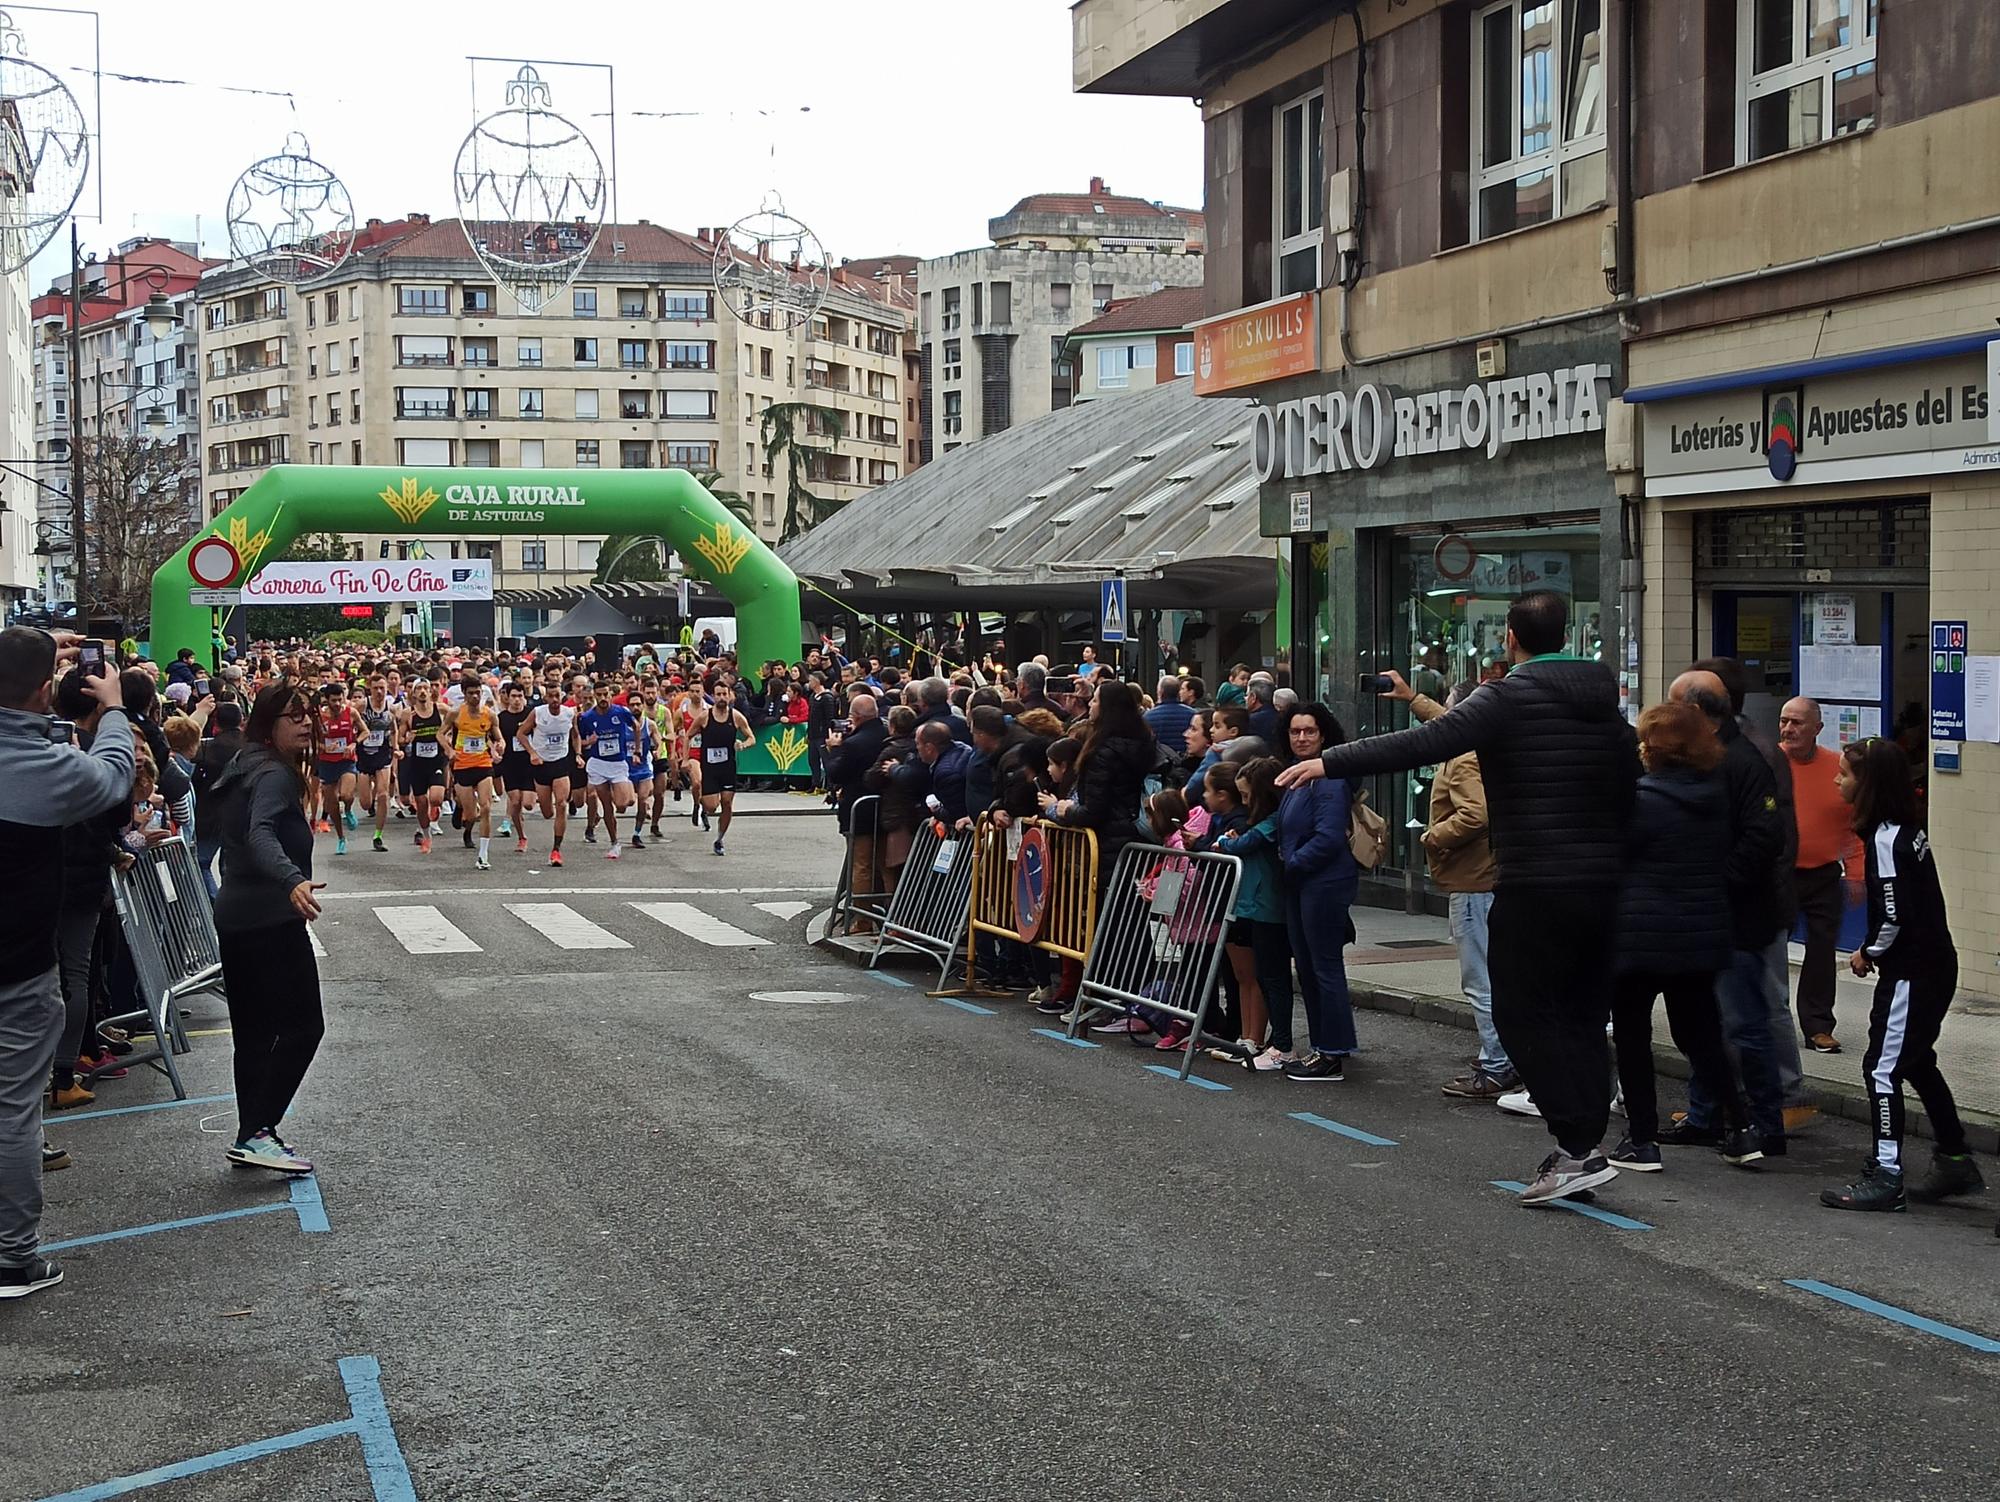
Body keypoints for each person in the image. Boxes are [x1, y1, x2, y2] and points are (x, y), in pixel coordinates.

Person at [1278, 590, 1639, 1205]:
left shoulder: (1508, 695)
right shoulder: (1604, 704)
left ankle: (1577, 1148)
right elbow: (1630, 783)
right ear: (1568, 636)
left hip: (1533, 881)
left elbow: (1427, 743)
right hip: (1603, 884)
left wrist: (1329, 762)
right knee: (1580, 1013)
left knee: (1520, 1012)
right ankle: (1582, 1147)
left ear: (1509, 640)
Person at [1820, 738, 1983, 1215]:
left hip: (1912, 972)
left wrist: (1867, 951)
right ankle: (1954, 1158)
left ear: (1868, 784)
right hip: (1934, 964)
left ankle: (1887, 1174)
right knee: (1914, 1061)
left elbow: (1895, 914)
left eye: (1846, 774)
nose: (1837, 779)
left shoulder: (1887, 839)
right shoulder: (1905, 829)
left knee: (1882, 1068)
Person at [1606, 702, 1762, 1172]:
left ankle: (1641, 1139)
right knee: (1701, 1035)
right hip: (1700, 932)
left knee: (1633, 1036)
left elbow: (1618, 857)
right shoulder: (1714, 795)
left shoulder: (1641, 801)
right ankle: (1742, 1127)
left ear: (1654, 748)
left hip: (1639, 934)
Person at [1663, 670, 1786, 1155]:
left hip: (1737, 919)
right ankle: (1705, 1115)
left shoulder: (1742, 760)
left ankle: (1763, 1123)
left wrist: (1715, 883)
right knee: (1703, 1023)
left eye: (1675, 705)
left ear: (1698, 712)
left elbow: (1765, 836)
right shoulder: (1705, 756)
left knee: (1744, 1024)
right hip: (1708, 916)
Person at [207, 682, 325, 1179]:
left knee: (253, 1034)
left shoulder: (245, 763)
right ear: (268, 723)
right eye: (293, 716)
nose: (305, 723)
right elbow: (261, 832)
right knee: (304, 1027)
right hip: (269, 918)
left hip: (238, 914)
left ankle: (249, 1135)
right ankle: (258, 1130)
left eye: (308, 715)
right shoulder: (274, 775)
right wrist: (291, 878)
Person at [1402, 680, 1514, 1099]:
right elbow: (1445, 722)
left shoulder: (1463, 758)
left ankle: (1497, 1063)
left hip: (1473, 880)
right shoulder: (1487, 743)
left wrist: (1434, 836)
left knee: (1480, 978)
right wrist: (1412, 699)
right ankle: (1505, 1057)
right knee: (1495, 974)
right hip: (1488, 876)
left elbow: (1476, 813)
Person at [1275, 703, 1359, 1081]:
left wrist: (1292, 863)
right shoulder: (1297, 775)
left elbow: (1328, 838)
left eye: (1309, 731)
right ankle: (1324, 1046)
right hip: (1302, 882)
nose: (1302, 738)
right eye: (1296, 731)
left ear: (1323, 734)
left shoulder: (1328, 779)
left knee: (1324, 968)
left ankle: (1332, 1052)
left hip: (1323, 881)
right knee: (1308, 968)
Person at [1779, 696, 1858, 1054]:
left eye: (1796, 722)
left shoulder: (1835, 767)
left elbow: (1853, 825)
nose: (1788, 729)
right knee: (1769, 950)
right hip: (1777, 875)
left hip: (1824, 875)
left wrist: (1856, 873)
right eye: (1784, 721)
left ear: (1817, 729)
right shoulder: (1769, 763)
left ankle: (1817, 1026)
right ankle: (1771, 1022)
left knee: (1822, 951)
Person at [443, 671, 501, 871]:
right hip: (463, 765)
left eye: (478, 693)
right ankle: (466, 824)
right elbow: (440, 734)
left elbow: (497, 737)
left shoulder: (489, 715)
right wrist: (449, 750)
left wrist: (500, 746)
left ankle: (483, 855)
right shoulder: (456, 714)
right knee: (471, 814)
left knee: (485, 808)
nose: (475, 697)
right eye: (471, 693)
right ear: (464, 694)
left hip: (483, 763)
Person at [579, 681, 640, 859]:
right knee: (607, 806)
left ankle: (621, 790)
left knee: (621, 804)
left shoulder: (620, 712)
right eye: (599, 695)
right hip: (598, 763)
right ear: (595, 696)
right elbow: (579, 740)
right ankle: (615, 842)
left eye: (606, 694)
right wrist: (587, 743)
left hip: (618, 763)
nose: (603, 698)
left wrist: (636, 750)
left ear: (610, 694)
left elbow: (636, 726)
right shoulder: (588, 717)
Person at [696, 682, 757, 857]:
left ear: (730, 695)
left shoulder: (735, 716)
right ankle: (702, 808)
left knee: (727, 803)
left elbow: (751, 737)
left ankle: (719, 839)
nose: (722, 698)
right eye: (718, 694)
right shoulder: (704, 717)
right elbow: (689, 735)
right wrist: (685, 758)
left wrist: (743, 745)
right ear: (713, 696)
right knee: (711, 806)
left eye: (724, 694)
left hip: (727, 767)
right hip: (709, 767)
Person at [525, 678, 580, 867]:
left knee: (562, 805)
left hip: (561, 762)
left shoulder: (569, 713)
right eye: (551, 696)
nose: (555, 699)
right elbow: (521, 734)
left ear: (562, 696)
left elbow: (575, 735)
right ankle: (548, 808)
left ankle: (556, 850)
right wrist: (532, 753)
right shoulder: (538, 713)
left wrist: (578, 754)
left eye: (557, 695)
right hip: (541, 764)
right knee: (547, 812)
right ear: (545, 698)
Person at [399, 680, 447, 854]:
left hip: (436, 761)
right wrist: (406, 739)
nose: (422, 692)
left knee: (436, 798)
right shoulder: (408, 714)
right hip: (417, 764)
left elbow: (455, 724)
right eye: (418, 689)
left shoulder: (440, 709)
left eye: (425, 688)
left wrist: (449, 740)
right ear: (413, 693)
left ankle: (436, 808)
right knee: (420, 803)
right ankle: (426, 836)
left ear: (431, 691)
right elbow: (399, 739)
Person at [314, 681, 360, 854]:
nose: (338, 704)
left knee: (346, 795)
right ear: (327, 700)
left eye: (340, 700)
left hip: (346, 760)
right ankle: (341, 838)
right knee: (332, 804)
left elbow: (365, 732)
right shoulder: (320, 717)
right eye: (334, 700)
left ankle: (348, 810)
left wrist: (354, 744)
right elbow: (313, 741)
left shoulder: (351, 713)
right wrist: (324, 747)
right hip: (327, 762)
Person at [354, 674, 397, 854]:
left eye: (382, 688)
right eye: (375, 688)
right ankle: (369, 802)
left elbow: (394, 730)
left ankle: (378, 835)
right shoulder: (362, 706)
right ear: (369, 689)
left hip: (382, 753)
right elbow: (348, 721)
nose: (379, 692)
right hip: (364, 754)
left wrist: (396, 748)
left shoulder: (391, 707)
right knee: (365, 803)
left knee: (383, 795)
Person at [496, 682, 537, 856]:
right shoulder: (501, 717)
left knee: (527, 804)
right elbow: (493, 738)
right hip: (510, 763)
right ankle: (522, 837)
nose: (517, 700)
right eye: (513, 696)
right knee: (514, 801)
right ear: (507, 697)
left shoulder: (531, 714)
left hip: (529, 763)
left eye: (520, 696)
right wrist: (495, 751)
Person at [1143, 674, 1194, 749]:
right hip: (1185, 757)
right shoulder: (1193, 715)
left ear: (1160, 692)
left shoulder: (1148, 717)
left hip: (1159, 758)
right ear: (1178, 692)